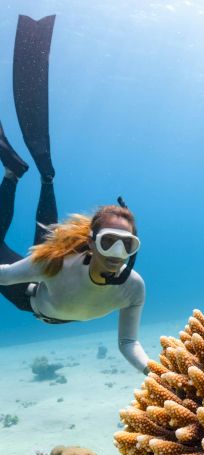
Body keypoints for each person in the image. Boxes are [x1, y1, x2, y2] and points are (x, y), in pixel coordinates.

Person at [0, 15, 150, 374]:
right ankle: (18, 175)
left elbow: (128, 343)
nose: (117, 255)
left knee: (47, 239)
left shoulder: (133, 287)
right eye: (110, 242)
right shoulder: (56, 263)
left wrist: (154, 371)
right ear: (92, 241)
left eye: (127, 246)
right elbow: (5, 277)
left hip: (50, 303)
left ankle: (30, 174)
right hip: (32, 296)